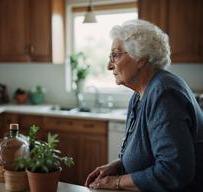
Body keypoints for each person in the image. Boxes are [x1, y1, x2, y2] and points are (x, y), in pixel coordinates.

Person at [84, 19, 203, 191]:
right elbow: (150, 155)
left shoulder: (163, 93)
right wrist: (119, 165)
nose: (109, 65)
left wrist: (116, 182)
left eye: (115, 55)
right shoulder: (139, 95)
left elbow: (174, 171)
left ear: (140, 58)